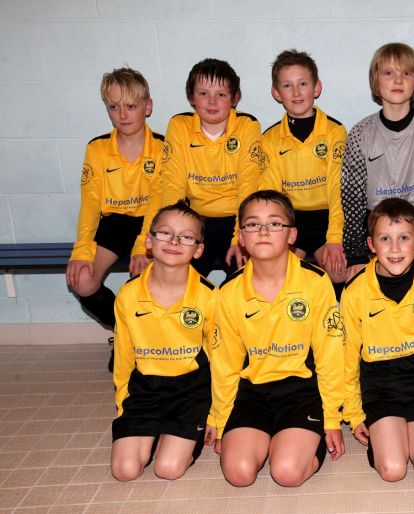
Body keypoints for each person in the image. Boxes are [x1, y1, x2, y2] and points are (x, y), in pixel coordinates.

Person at [210, 190, 345, 487]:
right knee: (238, 474)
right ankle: (268, 439)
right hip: (252, 393)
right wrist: (221, 420)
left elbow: (330, 355)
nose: (263, 231)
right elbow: (224, 364)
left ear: (292, 234)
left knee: (286, 473)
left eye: (274, 223)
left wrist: (332, 418)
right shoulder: (228, 291)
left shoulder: (315, 282)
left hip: (302, 391)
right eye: (252, 224)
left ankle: (295, 443)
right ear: (240, 237)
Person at [341, 198, 414, 481]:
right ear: (371, 244)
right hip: (380, 385)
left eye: (404, 238)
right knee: (393, 470)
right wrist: (354, 412)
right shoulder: (354, 292)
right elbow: (346, 356)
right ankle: (389, 434)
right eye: (385, 238)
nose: (395, 248)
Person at [340, 42, 414, 301]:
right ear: (376, 81)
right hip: (377, 228)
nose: (398, 80)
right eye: (388, 73)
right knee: (358, 293)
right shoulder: (361, 133)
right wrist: (356, 254)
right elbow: (352, 200)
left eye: (406, 73)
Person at [66, 68, 164, 370]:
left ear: (148, 107)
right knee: (82, 280)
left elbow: (159, 202)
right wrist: (81, 250)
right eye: (114, 106)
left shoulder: (164, 147)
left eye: (131, 106)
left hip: (151, 225)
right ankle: (125, 334)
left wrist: (142, 246)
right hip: (113, 225)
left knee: (143, 284)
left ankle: (146, 345)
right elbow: (90, 203)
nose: (122, 114)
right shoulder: (97, 148)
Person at [111, 201, 215, 481]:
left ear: (198, 250)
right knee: (124, 471)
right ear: (149, 240)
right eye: (166, 233)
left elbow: (220, 358)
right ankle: (154, 431)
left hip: (192, 390)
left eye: (186, 237)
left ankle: (176, 437)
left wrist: (217, 414)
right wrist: (123, 403)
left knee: (168, 469)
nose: (174, 241)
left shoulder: (209, 295)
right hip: (145, 388)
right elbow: (123, 355)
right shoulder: (128, 294)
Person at [161, 58, 264, 278]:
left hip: (236, 219)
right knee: (179, 280)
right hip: (194, 220)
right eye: (203, 93)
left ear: (235, 98)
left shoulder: (247, 126)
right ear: (191, 97)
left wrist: (239, 239)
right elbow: (173, 186)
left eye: (221, 94)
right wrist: (174, 236)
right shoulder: (179, 126)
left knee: (241, 281)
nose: (212, 101)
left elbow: (247, 186)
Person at [256, 49, 347, 283]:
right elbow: (270, 196)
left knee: (338, 274)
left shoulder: (335, 132)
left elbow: (337, 189)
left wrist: (334, 238)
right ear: (276, 93)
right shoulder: (269, 139)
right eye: (287, 86)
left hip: (327, 217)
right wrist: (279, 232)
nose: (296, 92)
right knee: (276, 271)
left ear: (316, 88)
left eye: (303, 84)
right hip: (291, 219)